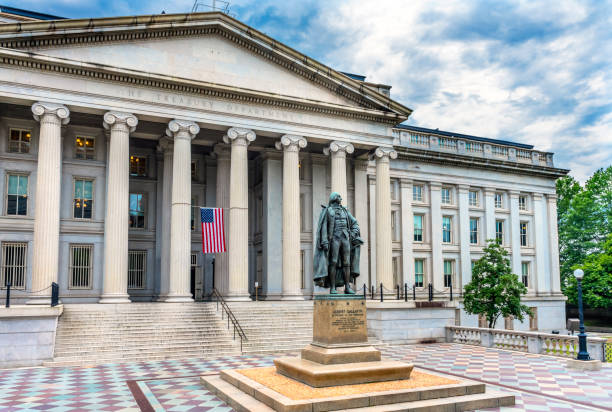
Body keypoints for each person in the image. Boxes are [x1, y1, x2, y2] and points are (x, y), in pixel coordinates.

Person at [313, 192, 363, 294]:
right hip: (334, 238)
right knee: (333, 262)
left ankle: (347, 287)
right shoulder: (328, 210)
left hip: (345, 238)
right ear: (335, 198)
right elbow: (323, 227)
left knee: (347, 263)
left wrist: (353, 234)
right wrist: (324, 241)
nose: (341, 198)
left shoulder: (344, 210)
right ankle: (332, 287)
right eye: (339, 197)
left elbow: (354, 223)